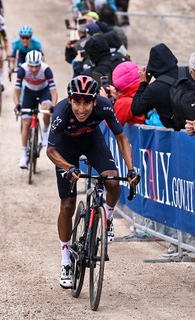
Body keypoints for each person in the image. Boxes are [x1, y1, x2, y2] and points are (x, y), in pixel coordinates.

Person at [46, 75, 139, 288]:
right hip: (64, 151)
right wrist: (68, 167)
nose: (81, 108)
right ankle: (66, 260)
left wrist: (131, 168)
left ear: (95, 101)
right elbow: (50, 150)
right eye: (77, 102)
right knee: (67, 205)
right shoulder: (61, 113)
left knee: (113, 182)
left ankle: (107, 216)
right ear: (69, 100)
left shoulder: (104, 107)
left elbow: (121, 137)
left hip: (92, 143)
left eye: (87, 102)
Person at [14, 50, 58, 169]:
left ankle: (45, 130)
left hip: (44, 91)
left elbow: (53, 90)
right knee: (26, 122)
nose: (33, 70)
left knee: (46, 108)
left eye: (36, 66)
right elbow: (17, 90)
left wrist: (53, 106)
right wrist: (17, 104)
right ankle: (24, 154)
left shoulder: (46, 70)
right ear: (27, 64)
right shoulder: (22, 69)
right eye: (31, 66)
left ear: (41, 63)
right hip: (29, 92)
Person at [131, 43, 179, 129]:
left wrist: (143, 83)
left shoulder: (155, 88)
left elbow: (136, 109)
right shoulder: (188, 74)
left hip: (173, 136)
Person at [99, 61, 146, 125]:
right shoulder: (148, 88)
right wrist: (120, 96)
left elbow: (111, 125)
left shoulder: (124, 103)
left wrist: (105, 102)